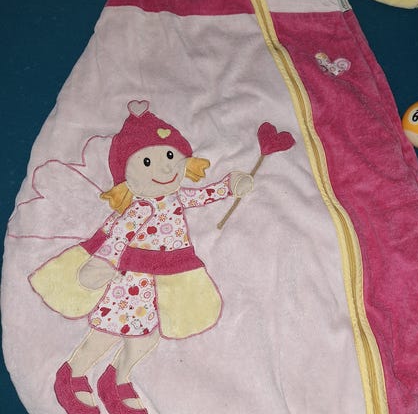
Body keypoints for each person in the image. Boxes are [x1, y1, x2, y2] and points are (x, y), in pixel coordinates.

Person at [30, 100, 253, 414]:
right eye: (147, 162)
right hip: (130, 281)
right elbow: (118, 236)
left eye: (170, 156)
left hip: (161, 282)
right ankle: (73, 374)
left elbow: (204, 194)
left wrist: (231, 186)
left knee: (147, 337)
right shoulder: (139, 207)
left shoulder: (175, 198)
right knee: (110, 331)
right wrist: (102, 263)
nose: (165, 168)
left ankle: (117, 379)